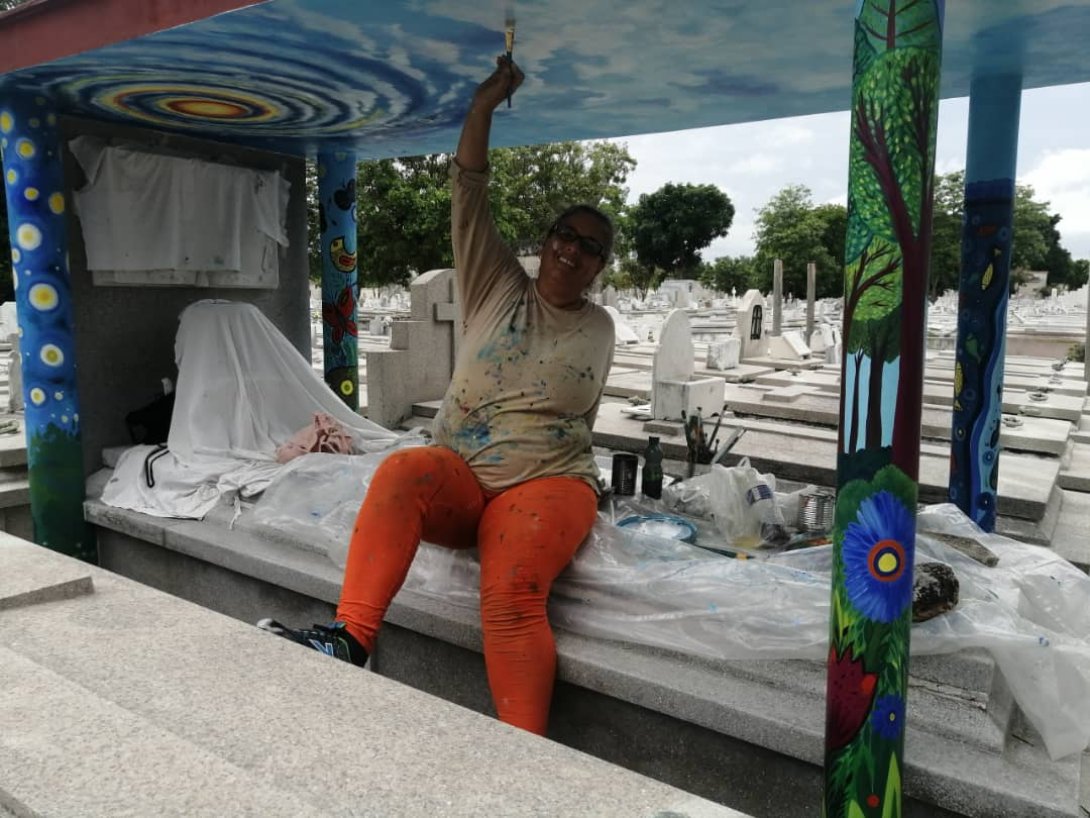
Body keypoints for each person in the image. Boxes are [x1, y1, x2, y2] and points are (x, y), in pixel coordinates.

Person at [259, 57, 617, 736]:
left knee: (510, 593)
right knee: (402, 468)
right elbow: (469, 191)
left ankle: (527, 752)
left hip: (547, 483)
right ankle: (350, 639)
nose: (573, 250)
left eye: (591, 246)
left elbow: (570, 417)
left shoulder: (599, 327)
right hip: (459, 476)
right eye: (564, 234)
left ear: (601, 266)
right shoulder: (495, 284)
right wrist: (482, 107)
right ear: (545, 241)